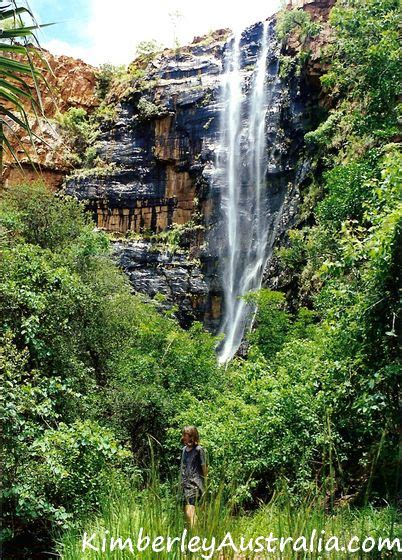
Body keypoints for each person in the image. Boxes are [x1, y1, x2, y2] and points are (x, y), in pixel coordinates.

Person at [180, 425, 207, 528]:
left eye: (186, 435)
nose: (184, 437)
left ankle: (196, 538)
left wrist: (204, 487)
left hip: (195, 485)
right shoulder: (183, 450)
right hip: (185, 485)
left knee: (190, 512)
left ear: (192, 436)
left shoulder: (199, 450)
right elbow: (183, 468)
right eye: (184, 434)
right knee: (188, 514)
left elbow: (204, 468)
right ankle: (197, 534)